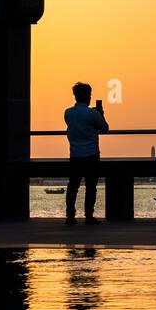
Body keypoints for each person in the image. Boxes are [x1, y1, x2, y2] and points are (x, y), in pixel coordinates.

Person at [64, 82, 109, 225]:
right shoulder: (93, 114)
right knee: (90, 187)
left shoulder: (68, 112)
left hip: (75, 154)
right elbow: (105, 128)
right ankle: (89, 216)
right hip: (91, 154)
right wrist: (100, 114)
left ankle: (70, 216)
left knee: (73, 186)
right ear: (87, 96)